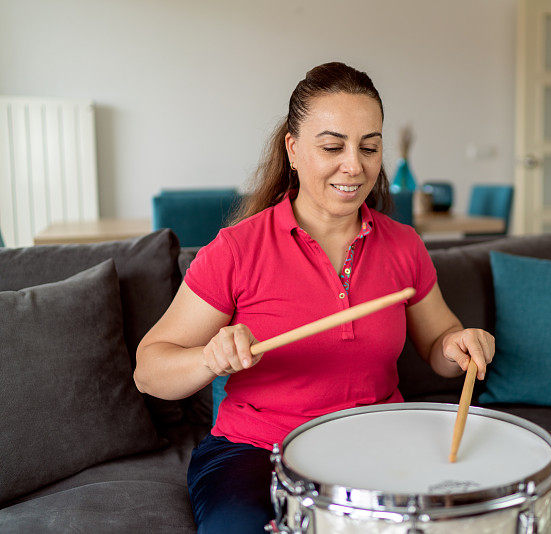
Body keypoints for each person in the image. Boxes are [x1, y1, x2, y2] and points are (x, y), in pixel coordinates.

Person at [134, 62, 495, 534]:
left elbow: (439, 343)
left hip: (376, 442)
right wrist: (209, 358)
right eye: (332, 146)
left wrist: (458, 346)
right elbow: (148, 370)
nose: (355, 165)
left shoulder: (403, 244)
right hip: (257, 451)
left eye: (369, 146)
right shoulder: (236, 249)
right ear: (293, 149)